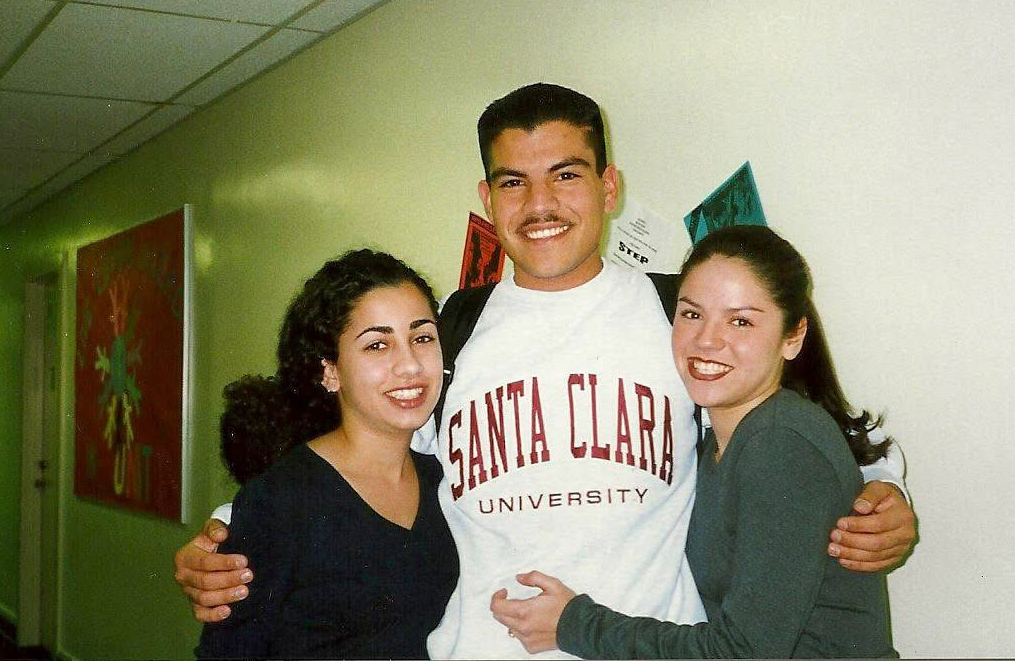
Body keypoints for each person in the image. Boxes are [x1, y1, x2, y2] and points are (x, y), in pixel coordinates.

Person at [174, 84, 916, 659]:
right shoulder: (449, 331)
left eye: (565, 174)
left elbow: (793, 430)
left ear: (608, 186)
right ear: (486, 199)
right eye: (511, 182)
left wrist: (884, 499)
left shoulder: (680, 315)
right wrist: (228, 530)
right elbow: (355, 450)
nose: (540, 204)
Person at [490, 225, 898, 657]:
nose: (707, 340)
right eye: (692, 314)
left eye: (740, 321)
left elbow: (740, 653)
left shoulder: (779, 442)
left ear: (792, 337)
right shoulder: (718, 443)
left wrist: (572, 624)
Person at [194, 249, 458, 658]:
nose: (409, 366)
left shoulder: (446, 484)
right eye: (377, 345)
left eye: (422, 337)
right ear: (329, 371)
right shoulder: (281, 500)